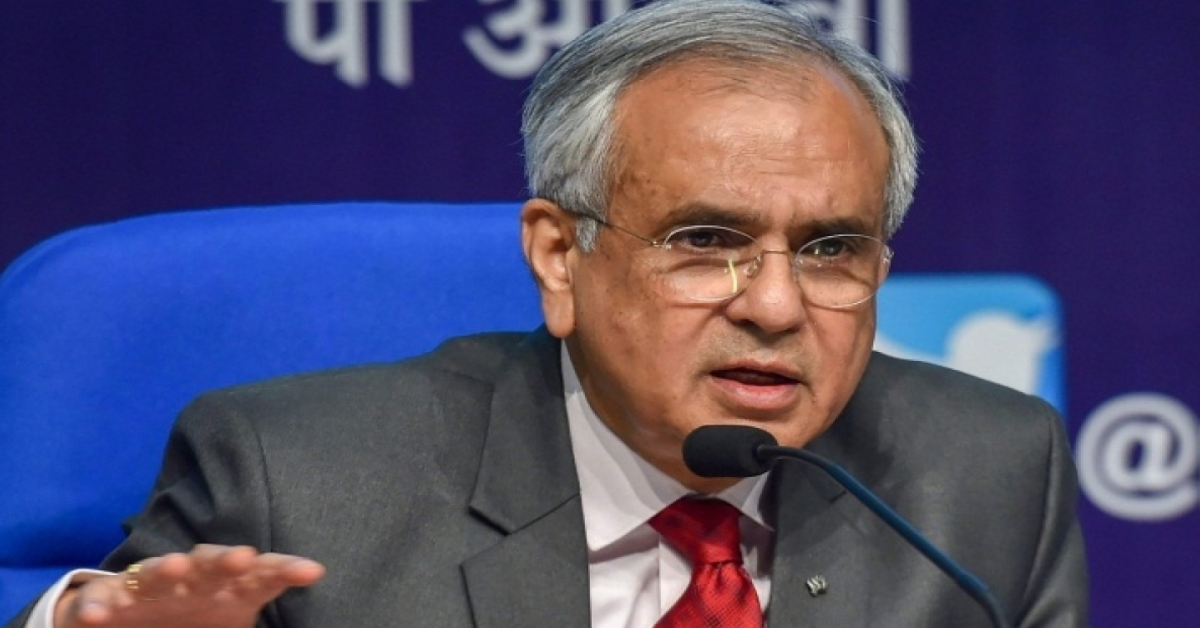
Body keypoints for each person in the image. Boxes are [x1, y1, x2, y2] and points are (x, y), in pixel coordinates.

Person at [5, 0, 1088, 626]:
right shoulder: (296, 479)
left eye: (830, 250)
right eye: (704, 241)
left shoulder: (984, 476)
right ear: (560, 257)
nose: (774, 304)